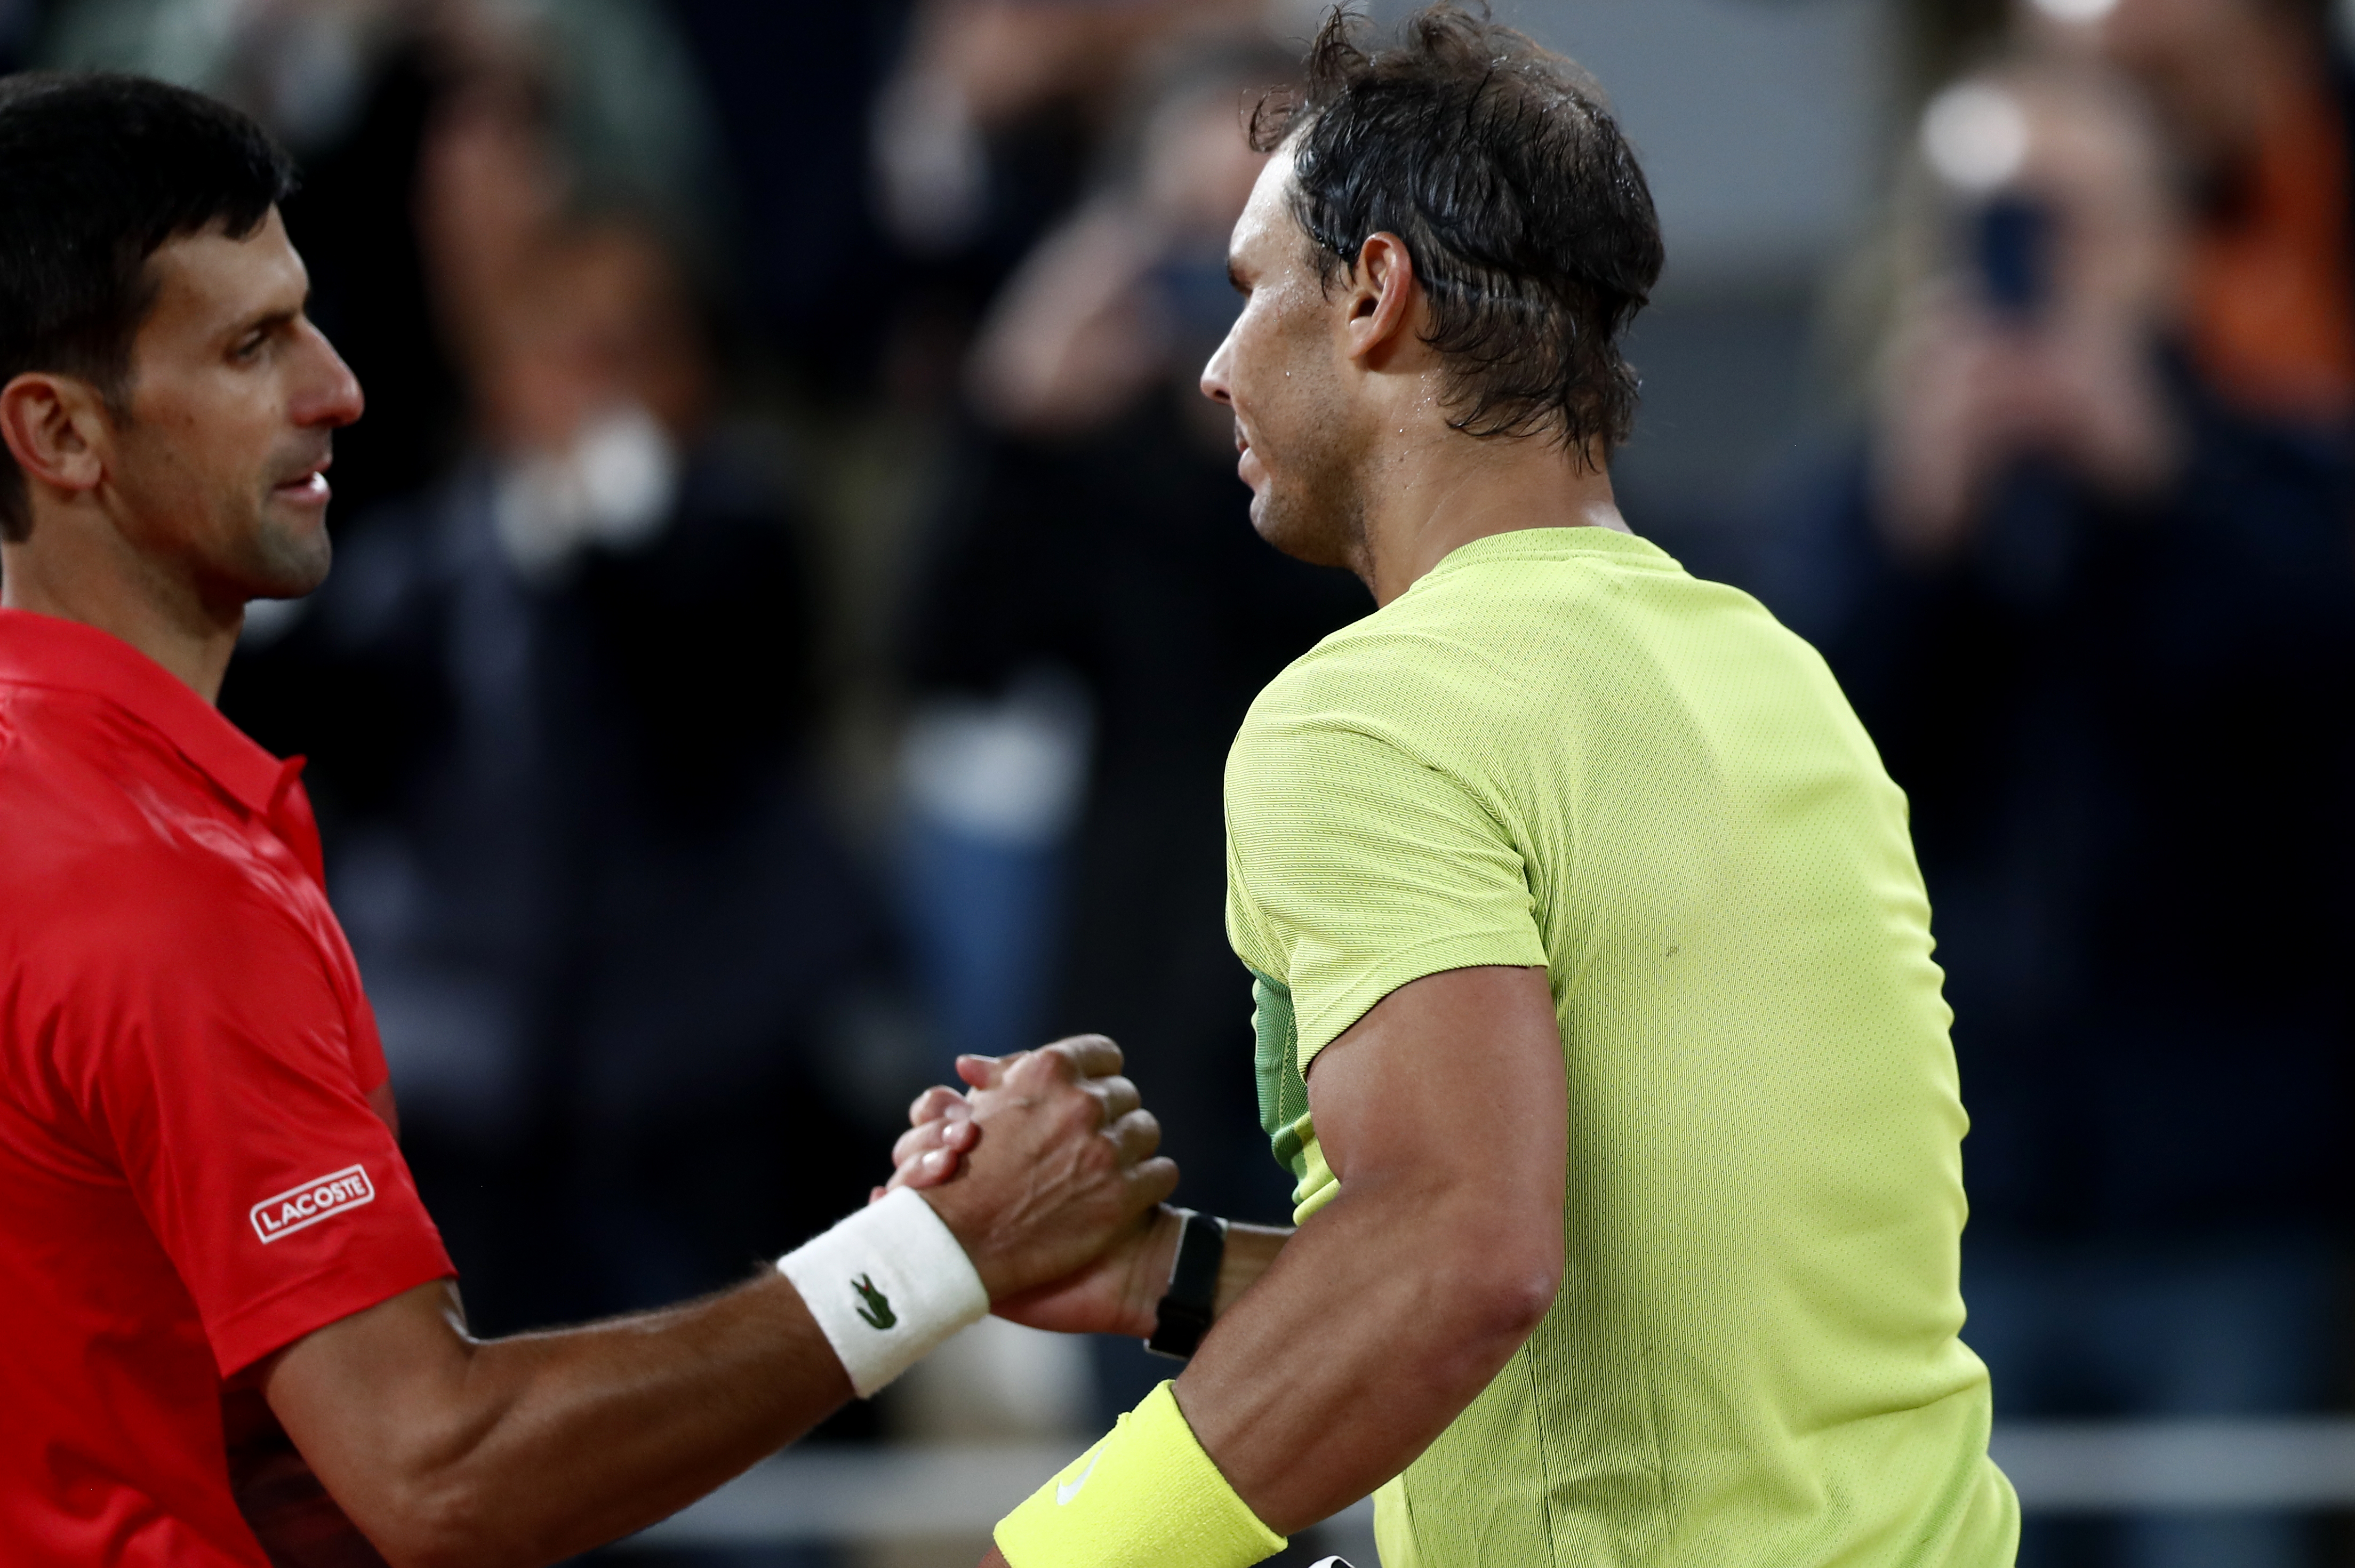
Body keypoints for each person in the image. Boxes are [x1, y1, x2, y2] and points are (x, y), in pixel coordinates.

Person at [0, 71, 1176, 1568]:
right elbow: (441, 1470)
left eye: (306, 314)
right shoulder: (158, 880)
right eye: (251, 345)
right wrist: (934, 1252)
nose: (338, 387)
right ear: (60, 432)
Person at [901, 8, 2021, 1566]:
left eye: (1245, 293)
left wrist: (1057, 1554)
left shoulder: (1365, 716)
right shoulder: (1778, 673)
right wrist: (1172, 1274)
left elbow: (1461, 1257)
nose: (1215, 368)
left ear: (1375, 295)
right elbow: (1591, 1295)